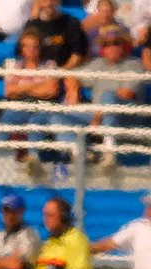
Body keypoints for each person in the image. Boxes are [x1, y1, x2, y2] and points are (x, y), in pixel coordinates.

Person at [56, 24, 146, 168]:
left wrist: (98, 115)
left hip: (126, 117)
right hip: (97, 115)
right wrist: (73, 92)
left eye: (116, 43)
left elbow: (127, 94)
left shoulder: (134, 65)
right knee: (60, 112)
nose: (112, 47)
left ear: (125, 45)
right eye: (107, 44)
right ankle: (79, 153)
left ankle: (110, 151)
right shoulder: (98, 64)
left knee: (108, 96)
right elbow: (71, 76)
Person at [0, 29, 63, 175]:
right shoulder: (13, 65)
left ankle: (33, 160)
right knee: (7, 121)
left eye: (35, 46)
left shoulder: (49, 65)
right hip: (19, 105)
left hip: (43, 106)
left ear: (40, 48)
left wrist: (23, 86)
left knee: (36, 123)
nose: (31, 50)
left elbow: (51, 91)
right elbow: (9, 91)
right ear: (21, 48)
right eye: (26, 46)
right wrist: (37, 85)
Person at [23, 0, 90, 68]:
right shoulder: (31, 25)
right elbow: (25, 54)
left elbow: (77, 55)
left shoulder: (71, 24)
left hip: (65, 72)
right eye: (45, 1)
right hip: (38, 73)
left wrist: (59, 74)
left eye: (52, 0)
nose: (49, 4)